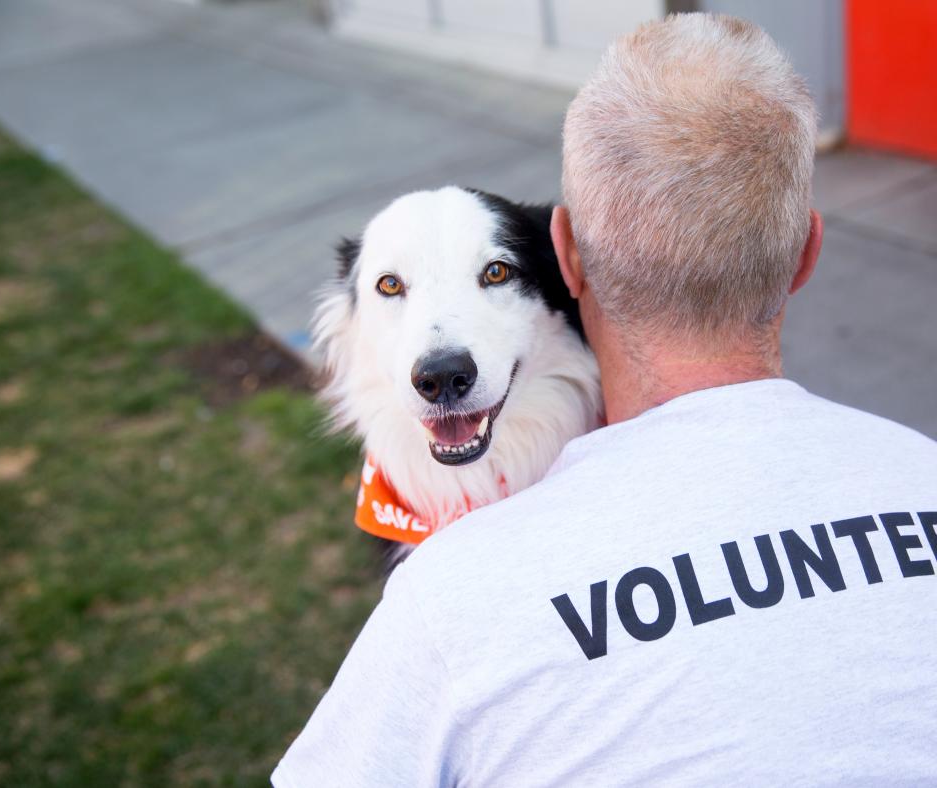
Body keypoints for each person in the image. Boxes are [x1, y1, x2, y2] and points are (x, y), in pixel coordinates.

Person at [273, 13, 937, 786]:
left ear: (568, 258)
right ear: (806, 252)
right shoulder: (921, 471)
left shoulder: (447, 604)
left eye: (494, 274)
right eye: (391, 288)